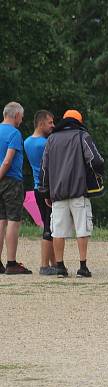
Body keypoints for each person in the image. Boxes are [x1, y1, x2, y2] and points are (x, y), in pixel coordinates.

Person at [39, 109, 104, 278]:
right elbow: (95, 160)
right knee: (82, 228)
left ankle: (60, 267)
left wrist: (46, 192)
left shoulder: (51, 139)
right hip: (78, 191)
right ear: (78, 122)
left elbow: (44, 168)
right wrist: (96, 175)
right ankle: (82, 267)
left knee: (58, 231)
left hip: (58, 194)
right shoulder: (82, 136)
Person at [24, 110, 57, 275]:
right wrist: (51, 192)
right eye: (50, 122)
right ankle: (45, 265)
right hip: (47, 188)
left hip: (37, 187)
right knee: (49, 227)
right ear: (41, 123)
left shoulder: (27, 142)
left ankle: (53, 263)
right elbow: (51, 169)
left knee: (47, 224)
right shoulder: (45, 144)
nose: (53, 125)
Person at [0, 102, 32, 275]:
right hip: (11, 180)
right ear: (15, 115)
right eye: (21, 116)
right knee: (13, 220)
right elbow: (7, 160)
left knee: (0, 220)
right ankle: (11, 263)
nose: (22, 119)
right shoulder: (14, 133)